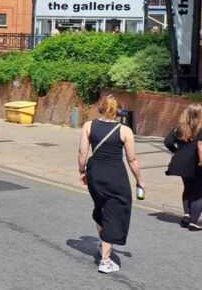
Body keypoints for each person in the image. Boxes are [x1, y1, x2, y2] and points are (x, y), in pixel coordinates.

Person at [77, 95, 144, 274]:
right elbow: (132, 159)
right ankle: (105, 260)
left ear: (101, 109)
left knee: (101, 208)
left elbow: (82, 153)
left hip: (94, 175)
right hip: (115, 178)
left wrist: (82, 171)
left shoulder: (88, 126)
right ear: (119, 112)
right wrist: (139, 180)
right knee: (115, 213)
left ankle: (103, 243)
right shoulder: (125, 131)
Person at [164, 103, 202, 231]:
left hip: (185, 165)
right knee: (199, 194)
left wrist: (176, 151)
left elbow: (168, 142)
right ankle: (193, 222)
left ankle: (186, 215)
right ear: (201, 114)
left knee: (188, 188)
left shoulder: (179, 129)